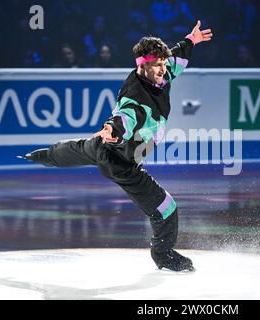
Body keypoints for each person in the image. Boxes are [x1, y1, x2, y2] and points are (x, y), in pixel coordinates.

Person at [20, 21, 213, 272]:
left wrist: (191, 39)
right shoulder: (135, 98)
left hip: (102, 147)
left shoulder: (162, 72)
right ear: (142, 65)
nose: (163, 70)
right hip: (122, 164)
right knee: (167, 209)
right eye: (158, 65)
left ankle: (41, 156)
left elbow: (177, 57)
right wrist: (113, 130)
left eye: (164, 64)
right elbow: (124, 118)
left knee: (72, 150)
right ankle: (163, 254)